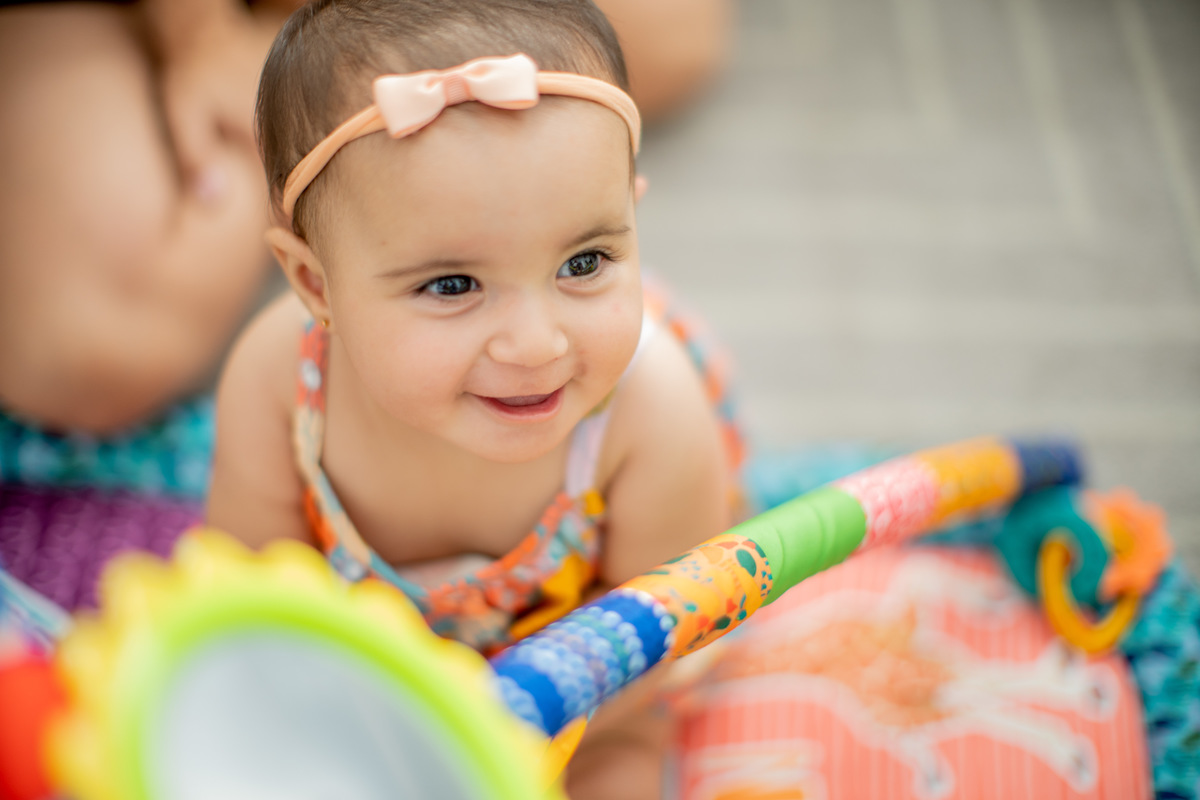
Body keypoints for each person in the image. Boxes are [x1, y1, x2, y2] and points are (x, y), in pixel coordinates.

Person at [205, 1, 741, 797]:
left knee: (618, 768)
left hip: (594, 699)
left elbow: (669, 639)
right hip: (373, 685)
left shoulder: (649, 411)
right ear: (317, 284)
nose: (537, 345)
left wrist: (527, 737)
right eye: (453, 285)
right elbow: (251, 602)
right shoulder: (277, 382)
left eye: (586, 261)